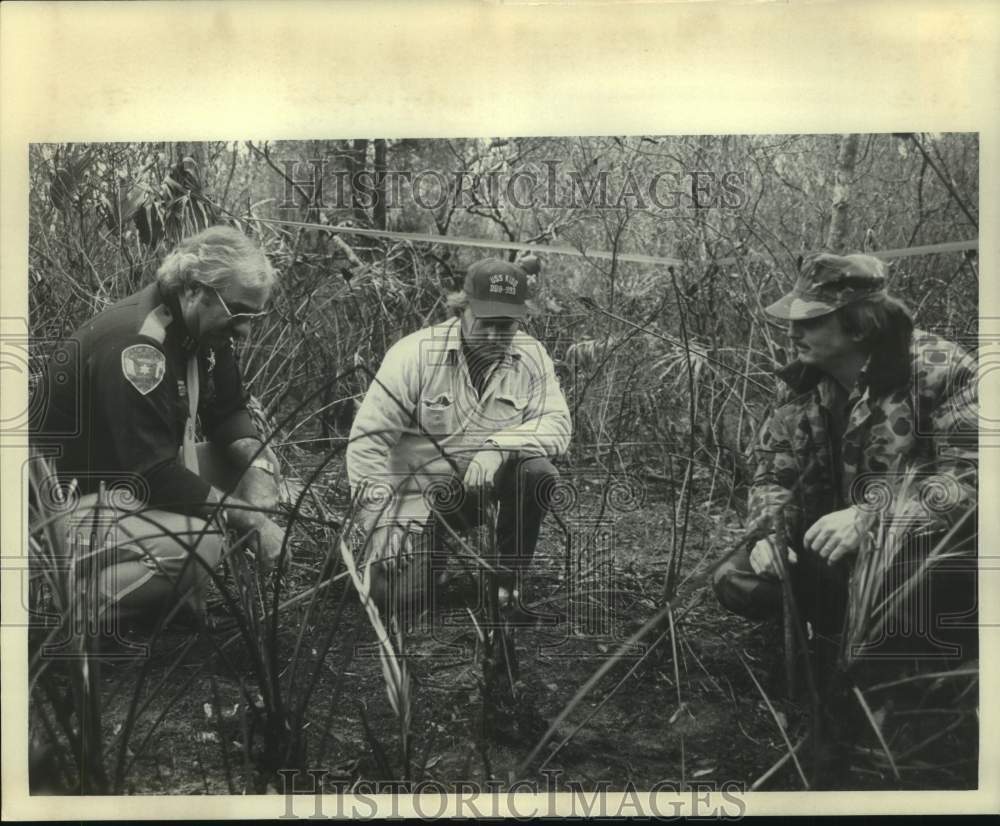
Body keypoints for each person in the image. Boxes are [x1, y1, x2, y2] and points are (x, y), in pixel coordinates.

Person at [713, 252, 977, 665]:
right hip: (835, 556)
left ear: (859, 325)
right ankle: (832, 647)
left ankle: (910, 668)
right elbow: (773, 477)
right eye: (793, 320)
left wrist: (871, 517)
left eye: (811, 321)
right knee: (737, 579)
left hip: (918, 555)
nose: (794, 333)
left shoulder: (943, 371)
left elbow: (972, 484)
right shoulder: (800, 384)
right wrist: (770, 536)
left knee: (914, 589)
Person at [35, 225, 288, 629]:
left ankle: (165, 593)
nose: (244, 330)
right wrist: (253, 520)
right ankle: (75, 607)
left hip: (122, 485)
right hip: (64, 507)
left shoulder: (201, 331)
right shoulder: (140, 345)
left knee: (247, 466)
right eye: (239, 312)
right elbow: (151, 473)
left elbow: (227, 410)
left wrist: (257, 468)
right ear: (194, 289)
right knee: (198, 542)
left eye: (253, 316)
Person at [346, 256, 571, 619]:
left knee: (537, 473)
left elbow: (557, 423)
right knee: (396, 599)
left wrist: (497, 448)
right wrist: (380, 521)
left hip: (480, 491)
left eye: (507, 325)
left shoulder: (531, 355)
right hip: (416, 496)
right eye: (486, 324)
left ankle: (506, 585)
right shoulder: (414, 354)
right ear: (462, 309)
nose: (496, 337)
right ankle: (365, 553)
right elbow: (367, 441)